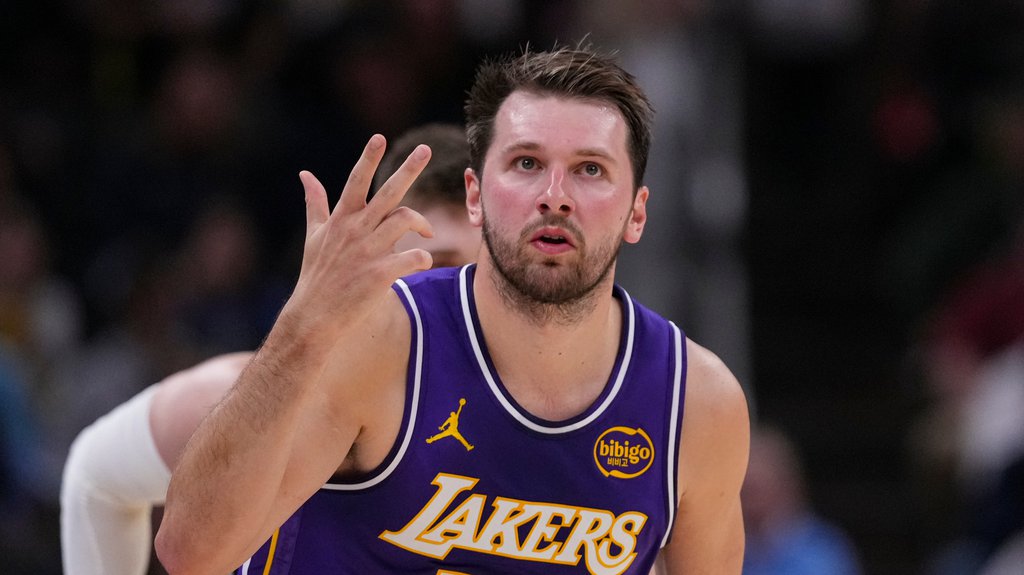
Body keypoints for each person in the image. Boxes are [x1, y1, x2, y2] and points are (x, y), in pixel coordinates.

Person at [155, 45, 750, 575]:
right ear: (475, 196)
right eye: (526, 163)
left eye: (590, 169)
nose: (555, 196)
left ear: (637, 213)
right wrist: (301, 327)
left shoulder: (697, 403)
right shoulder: (376, 338)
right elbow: (189, 554)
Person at [59, 123, 479, 575]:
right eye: (431, 268)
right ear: (370, 264)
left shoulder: (521, 420)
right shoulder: (249, 408)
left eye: (471, 274)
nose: (451, 293)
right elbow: (95, 476)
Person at [741, 424, 862, 575]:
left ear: (787, 484)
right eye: (743, 490)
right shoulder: (730, 547)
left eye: (755, 489)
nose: (749, 502)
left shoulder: (822, 554)